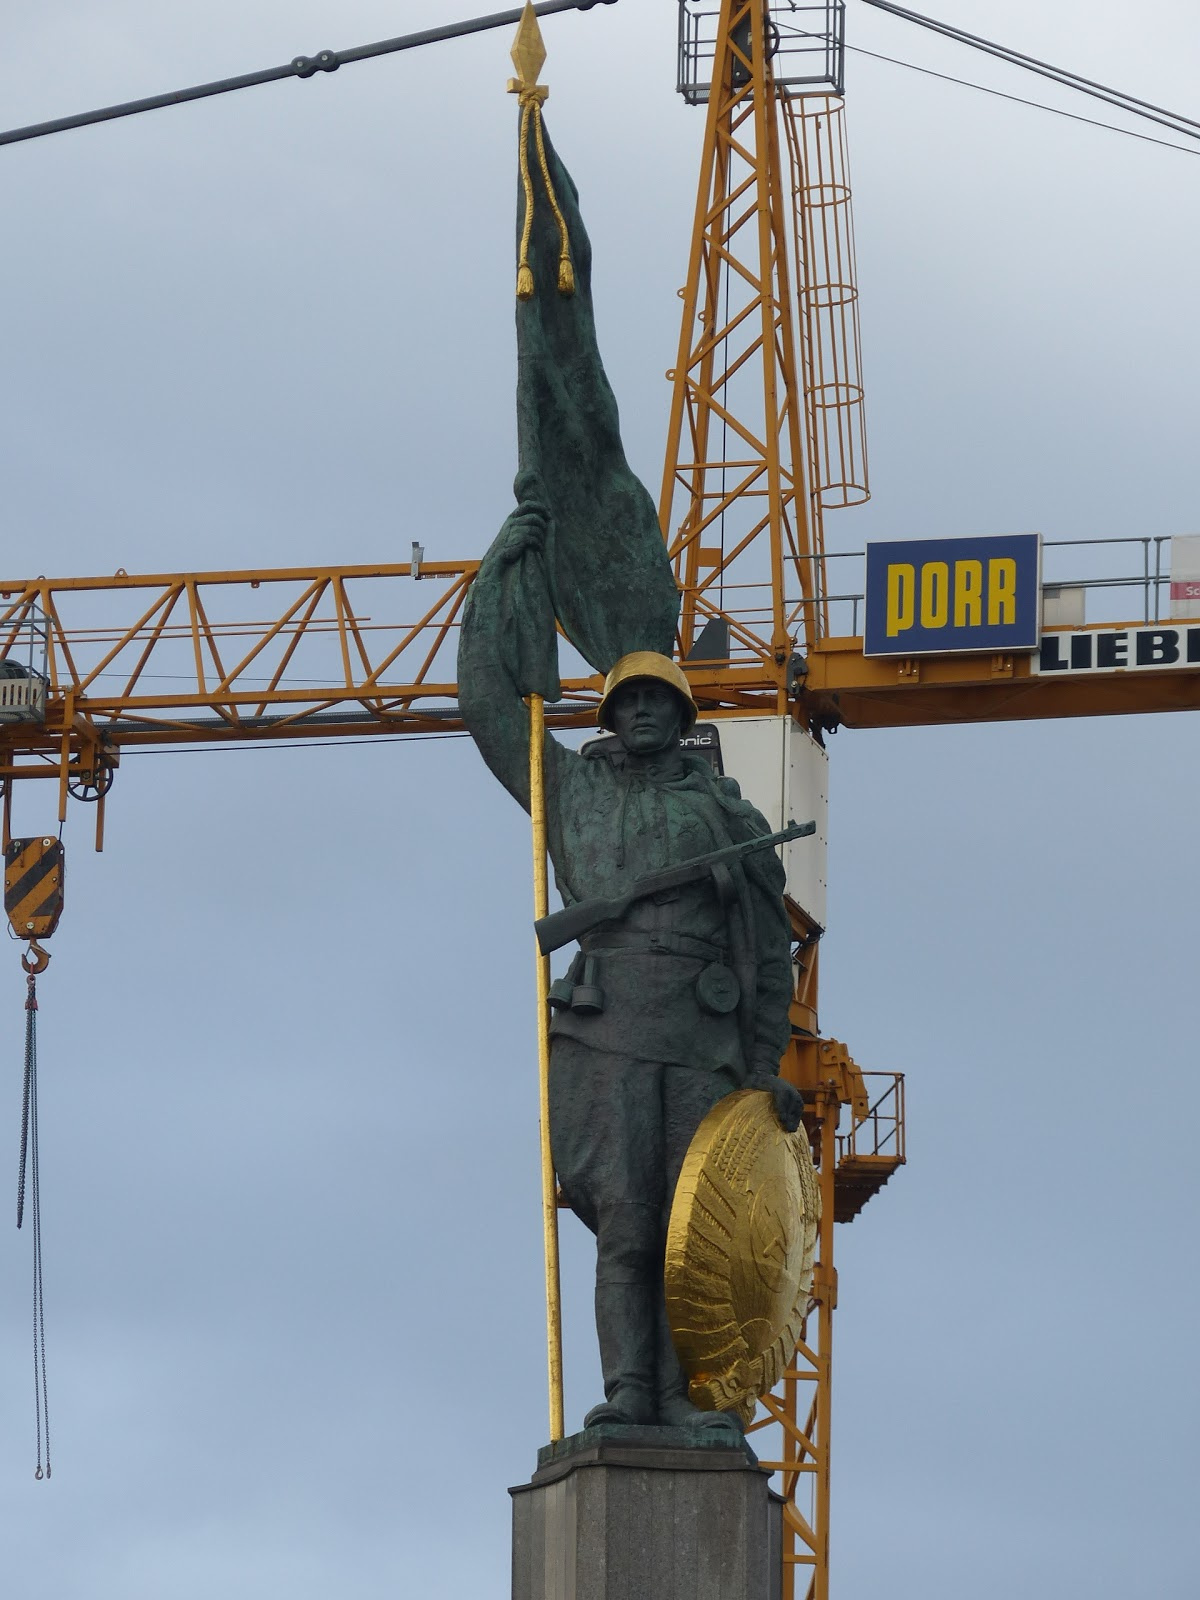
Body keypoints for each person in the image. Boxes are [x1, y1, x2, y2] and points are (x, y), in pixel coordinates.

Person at [458, 484, 803, 1433]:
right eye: (628, 701)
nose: (643, 713)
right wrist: (499, 573)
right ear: (608, 716)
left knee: (699, 1237)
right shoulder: (570, 793)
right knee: (627, 1225)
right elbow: (487, 702)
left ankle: (695, 1398)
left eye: (659, 700)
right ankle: (627, 1396)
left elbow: (768, 953)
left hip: (702, 1037)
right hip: (608, 1031)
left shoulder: (731, 818)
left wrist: (766, 1065)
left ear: (681, 711)